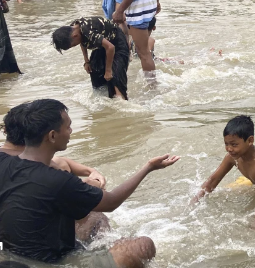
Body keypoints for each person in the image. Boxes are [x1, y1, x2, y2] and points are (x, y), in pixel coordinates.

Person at [0, 99, 178, 266]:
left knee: (95, 216)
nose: (71, 132)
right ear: (52, 136)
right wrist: (148, 167)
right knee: (142, 245)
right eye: (68, 127)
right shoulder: (58, 180)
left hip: (9, 257)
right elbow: (112, 201)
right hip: (46, 264)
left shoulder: (4, 162)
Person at [1, 102, 106, 187]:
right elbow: (109, 202)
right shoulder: (33, 165)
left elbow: (61, 161)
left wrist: (90, 171)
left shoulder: (9, 155)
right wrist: (92, 183)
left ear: (5, 129)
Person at [51, 16, 130, 99]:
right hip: (102, 44)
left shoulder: (88, 32)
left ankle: (120, 99)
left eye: (73, 45)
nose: (75, 45)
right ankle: (104, 100)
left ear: (75, 36)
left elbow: (111, 48)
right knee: (95, 70)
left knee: (115, 77)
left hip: (116, 42)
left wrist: (108, 70)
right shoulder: (74, 28)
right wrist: (86, 61)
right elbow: (82, 42)